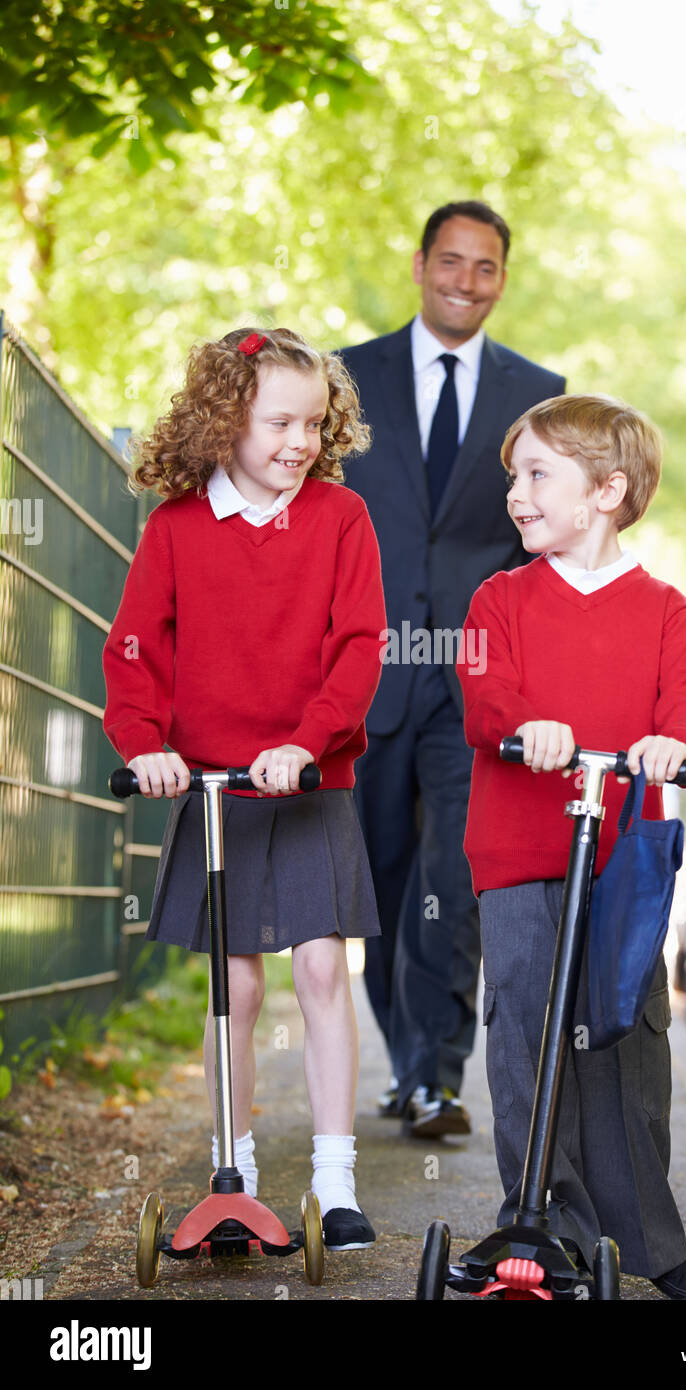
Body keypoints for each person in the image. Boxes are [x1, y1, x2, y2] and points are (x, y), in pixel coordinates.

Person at [102, 327, 387, 1251]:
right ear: (224, 420)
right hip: (217, 788)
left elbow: (357, 650)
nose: (299, 442)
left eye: (314, 422)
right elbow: (134, 650)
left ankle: (336, 1183)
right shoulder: (177, 527)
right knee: (236, 986)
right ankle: (238, 1175)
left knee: (318, 971)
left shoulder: (341, 519)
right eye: (278, 423)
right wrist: (144, 744)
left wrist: (308, 742)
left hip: (304, 782)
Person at [456, 394, 686, 1299]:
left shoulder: (664, 611)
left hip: (623, 867)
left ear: (606, 491)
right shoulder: (500, 599)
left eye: (538, 474)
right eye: (512, 476)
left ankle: (649, 1244)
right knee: (526, 1037)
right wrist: (526, 726)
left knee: (623, 1043)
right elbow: (487, 695)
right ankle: (540, 1229)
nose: (517, 493)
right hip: (519, 855)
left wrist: (673, 743)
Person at [339, 202, 566, 1136]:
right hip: (372, 663)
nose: (465, 282)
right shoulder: (349, 374)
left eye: (485, 268)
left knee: (456, 869)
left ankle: (439, 1075)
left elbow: (539, 532)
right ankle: (404, 1060)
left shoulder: (538, 388)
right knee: (384, 874)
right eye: (451, 262)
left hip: (478, 671)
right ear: (422, 263)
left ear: (502, 279)